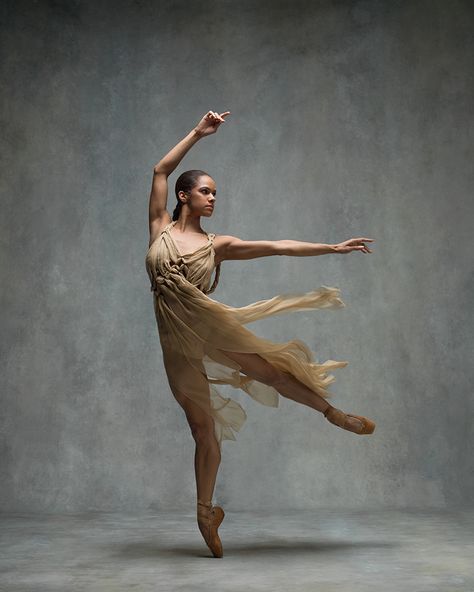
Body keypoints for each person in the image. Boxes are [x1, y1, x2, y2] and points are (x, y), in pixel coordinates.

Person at [145, 110, 376, 558]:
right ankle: (205, 512)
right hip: (175, 343)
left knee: (270, 371)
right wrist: (197, 132)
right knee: (201, 426)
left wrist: (331, 247)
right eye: (206, 191)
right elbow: (159, 169)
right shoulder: (159, 229)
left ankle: (333, 414)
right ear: (183, 195)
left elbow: (279, 247)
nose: (213, 199)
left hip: (208, 327)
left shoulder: (220, 246)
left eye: (216, 193)